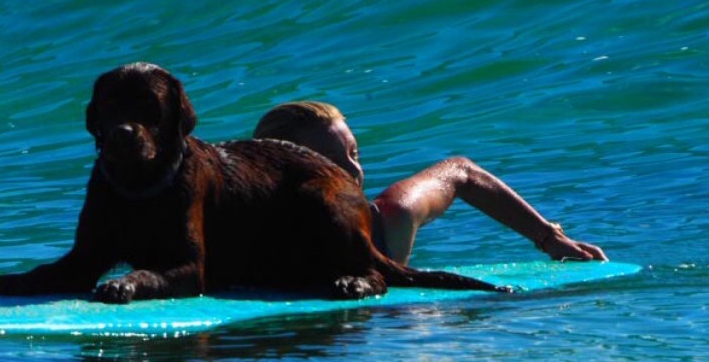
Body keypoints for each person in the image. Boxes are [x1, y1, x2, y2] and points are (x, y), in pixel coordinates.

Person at [253, 101, 607, 264]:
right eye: (333, 159)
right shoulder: (237, 226)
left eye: (354, 154)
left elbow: (462, 172)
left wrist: (550, 237)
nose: (354, 171)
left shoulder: (391, 218)